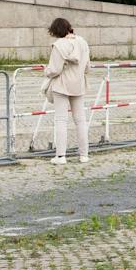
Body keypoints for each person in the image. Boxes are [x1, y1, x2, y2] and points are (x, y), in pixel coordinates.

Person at [41, 17, 92, 163]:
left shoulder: (58, 45)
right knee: (80, 120)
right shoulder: (82, 42)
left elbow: (55, 69)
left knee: (61, 120)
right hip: (79, 84)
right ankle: (84, 155)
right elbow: (87, 67)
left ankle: (61, 156)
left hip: (61, 85)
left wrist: (46, 71)